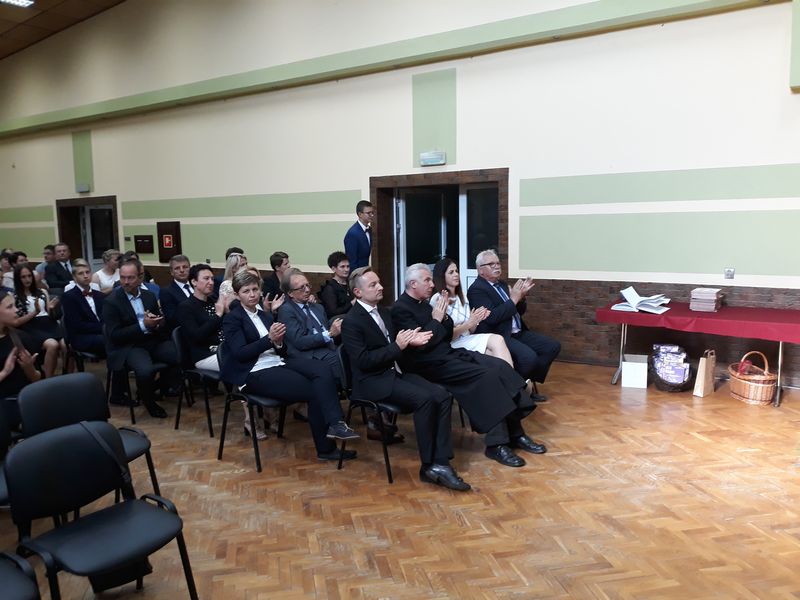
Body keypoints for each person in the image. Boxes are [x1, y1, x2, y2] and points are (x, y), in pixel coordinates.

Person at [391, 263, 546, 468]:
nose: (432, 284)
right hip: (427, 364)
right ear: (413, 284)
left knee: (499, 366)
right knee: (486, 376)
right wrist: (437, 320)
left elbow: (445, 334)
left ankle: (516, 433)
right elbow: (425, 343)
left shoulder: (425, 304)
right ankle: (496, 444)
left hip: (446, 355)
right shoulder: (400, 309)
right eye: (427, 280)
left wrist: (444, 316)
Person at [342, 267, 470, 491]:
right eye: (373, 285)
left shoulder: (383, 312)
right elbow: (363, 361)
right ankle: (428, 466)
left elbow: (398, 342)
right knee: (424, 399)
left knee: (443, 395)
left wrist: (411, 340)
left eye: (379, 282)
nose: (380, 287)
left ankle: (441, 461)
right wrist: (399, 346)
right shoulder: (351, 322)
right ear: (358, 292)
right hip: (371, 382)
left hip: (392, 373)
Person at [220, 270, 359, 461]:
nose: (252, 294)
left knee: (321, 369)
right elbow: (240, 353)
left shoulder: (265, 315)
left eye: (254, 289)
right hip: (253, 371)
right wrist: (270, 340)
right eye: (246, 291)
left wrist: (278, 343)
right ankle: (327, 447)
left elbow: (282, 348)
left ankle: (336, 425)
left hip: (277, 362)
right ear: (237, 295)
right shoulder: (232, 319)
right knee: (316, 390)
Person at [467, 250, 561, 400]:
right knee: (529, 358)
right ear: (480, 270)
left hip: (517, 331)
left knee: (552, 346)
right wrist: (514, 299)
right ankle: (518, 393)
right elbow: (492, 318)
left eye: (498, 263)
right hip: (499, 334)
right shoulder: (476, 289)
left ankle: (526, 384)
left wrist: (521, 298)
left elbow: (519, 311)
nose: (497, 266)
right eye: (491, 264)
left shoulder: (502, 284)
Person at [103, 258, 177, 418]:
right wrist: (144, 325)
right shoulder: (112, 302)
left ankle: (151, 389)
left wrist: (158, 322)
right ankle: (149, 402)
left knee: (180, 356)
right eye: (122, 277)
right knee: (145, 371)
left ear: (140, 278)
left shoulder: (149, 296)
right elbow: (115, 335)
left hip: (151, 340)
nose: (126, 282)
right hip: (129, 345)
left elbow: (158, 322)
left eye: (130, 278)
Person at [277, 269, 343, 386]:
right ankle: (345, 391)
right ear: (290, 293)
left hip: (327, 347)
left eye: (308, 285)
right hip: (307, 353)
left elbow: (328, 330)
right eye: (301, 288)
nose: (307, 290)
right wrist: (329, 334)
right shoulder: (286, 310)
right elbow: (299, 341)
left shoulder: (317, 307)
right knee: (337, 359)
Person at [12, 263, 65, 378]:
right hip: (31, 326)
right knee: (53, 345)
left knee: (66, 344)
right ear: (18, 279)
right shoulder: (14, 297)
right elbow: (16, 322)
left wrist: (51, 308)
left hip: (48, 323)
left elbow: (49, 314)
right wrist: (34, 312)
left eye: (29, 276)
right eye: (23, 277)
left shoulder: (42, 292)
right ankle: (48, 379)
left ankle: (67, 374)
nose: (27, 279)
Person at [0, 289, 41, 426]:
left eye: (15, 305)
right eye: (9, 307)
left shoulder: (22, 338)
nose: (16, 310)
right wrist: (5, 372)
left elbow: (37, 380)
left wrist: (29, 368)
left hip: (24, 398)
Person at [61, 259, 106, 356]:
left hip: (102, 332)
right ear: (74, 277)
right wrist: (103, 328)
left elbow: (105, 317)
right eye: (81, 273)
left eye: (87, 272)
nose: (85, 276)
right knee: (111, 341)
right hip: (81, 336)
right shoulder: (69, 296)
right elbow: (77, 325)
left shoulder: (100, 295)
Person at [159, 254, 193, 330]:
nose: (182, 270)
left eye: (185, 267)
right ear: (171, 272)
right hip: (182, 330)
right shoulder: (166, 292)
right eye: (177, 268)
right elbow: (172, 318)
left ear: (190, 269)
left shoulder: (197, 286)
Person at [319, 251, 354, 319]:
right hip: (338, 320)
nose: (346, 269)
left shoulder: (350, 283)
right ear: (333, 269)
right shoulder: (329, 288)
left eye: (348, 266)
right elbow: (333, 312)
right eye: (342, 267)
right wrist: (352, 303)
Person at [343, 200, 374, 270]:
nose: (372, 215)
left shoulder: (369, 229)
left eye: (372, 212)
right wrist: (357, 275)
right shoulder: (352, 234)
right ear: (360, 214)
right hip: (357, 273)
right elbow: (351, 261)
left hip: (365, 270)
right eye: (368, 213)